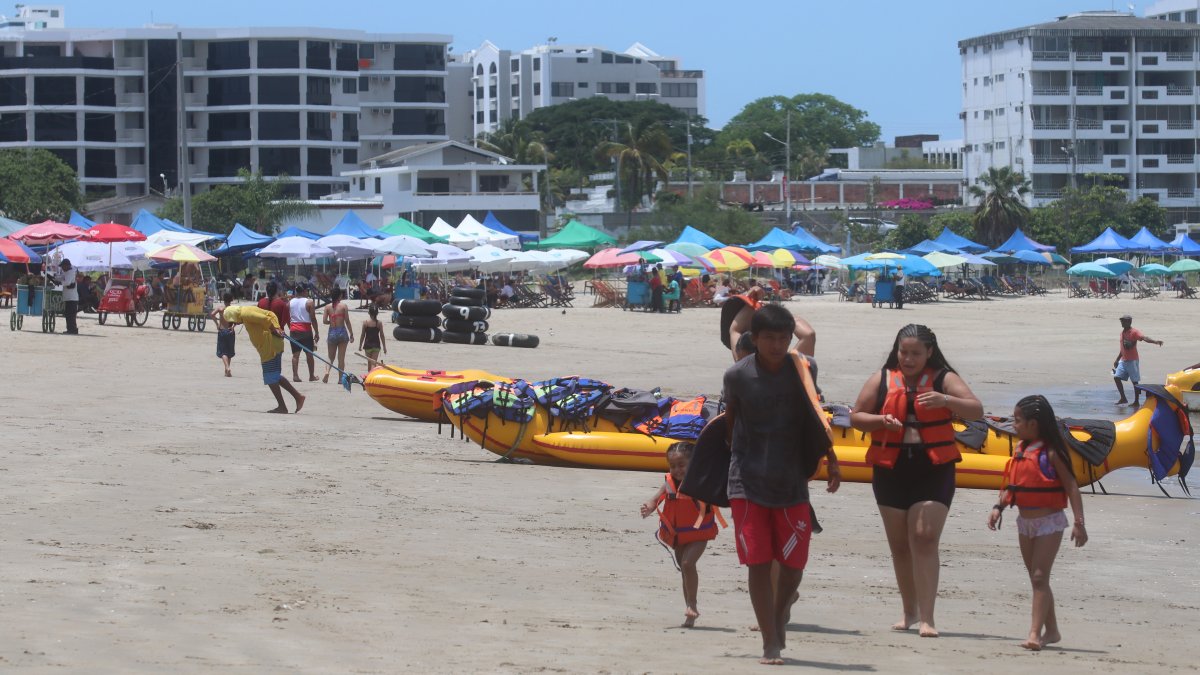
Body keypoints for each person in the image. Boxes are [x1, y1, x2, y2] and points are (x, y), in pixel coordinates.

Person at [723, 304, 841, 664]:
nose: (776, 345)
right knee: (758, 562)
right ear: (755, 338)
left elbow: (815, 415)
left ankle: (777, 616)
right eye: (769, 338)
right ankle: (769, 640)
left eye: (783, 338)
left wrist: (831, 458)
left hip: (791, 480)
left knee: (793, 565)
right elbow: (730, 424)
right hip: (747, 480)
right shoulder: (737, 375)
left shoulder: (804, 368)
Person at [849, 324, 982, 638]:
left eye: (915, 354)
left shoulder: (943, 379)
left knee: (923, 537)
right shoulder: (881, 379)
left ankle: (928, 618)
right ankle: (909, 611)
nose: (908, 359)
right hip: (891, 469)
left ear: (929, 353)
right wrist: (881, 420)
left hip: (933, 468)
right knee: (899, 545)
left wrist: (945, 400)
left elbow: (976, 410)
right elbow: (856, 417)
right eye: (903, 352)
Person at [987, 394, 1087, 651]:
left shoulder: (1051, 453)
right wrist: (998, 508)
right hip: (1025, 522)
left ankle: (1034, 634)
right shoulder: (1020, 450)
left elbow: (1072, 487)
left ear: (1034, 424)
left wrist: (1079, 522)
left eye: (1018, 420)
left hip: (1049, 523)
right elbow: (1013, 485)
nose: (1014, 425)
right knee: (1036, 578)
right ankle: (1052, 631)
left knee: (1040, 576)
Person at [640, 441, 721, 628]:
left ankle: (692, 604)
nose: (677, 470)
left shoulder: (702, 480)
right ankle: (689, 612)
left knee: (687, 563)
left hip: (699, 533)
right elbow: (656, 498)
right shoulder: (669, 483)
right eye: (673, 466)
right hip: (678, 536)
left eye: (682, 465)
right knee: (685, 572)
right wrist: (649, 507)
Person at [222, 305, 305, 414]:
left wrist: (275, 330)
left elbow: (266, 319)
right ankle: (298, 397)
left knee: (270, 377)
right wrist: (234, 325)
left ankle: (283, 406)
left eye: (232, 321)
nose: (234, 323)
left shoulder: (245, 314)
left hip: (270, 347)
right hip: (271, 346)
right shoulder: (244, 312)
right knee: (274, 376)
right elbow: (263, 317)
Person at [723, 285, 816, 358]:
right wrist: (776, 313)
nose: (776, 345)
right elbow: (808, 335)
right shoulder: (791, 367)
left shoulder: (741, 363)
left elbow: (735, 330)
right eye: (769, 337)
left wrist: (753, 303)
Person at [1113, 314, 1163, 406]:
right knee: (1116, 377)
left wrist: (1155, 341)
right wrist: (1117, 359)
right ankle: (1123, 398)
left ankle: (1136, 401)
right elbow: (1122, 348)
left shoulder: (1134, 332)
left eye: (1124, 321)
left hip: (1132, 360)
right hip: (1123, 360)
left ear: (1129, 322)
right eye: (1121, 321)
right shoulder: (1122, 333)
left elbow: (1144, 338)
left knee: (1135, 382)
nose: (1122, 322)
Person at [288, 284, 320, 382]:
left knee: (295, 355)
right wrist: (316, 332)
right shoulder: (309, 302)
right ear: (304, 291)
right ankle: (311, 376)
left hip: (294, 330)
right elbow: (313, 318)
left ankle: (295, 376)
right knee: (309, 354)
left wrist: (290, 327)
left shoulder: (290, 302)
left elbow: (288, 317)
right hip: (306, 330)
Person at [323, 287, 353, 384]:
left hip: (332, 332)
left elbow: (324, 321)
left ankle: (327, 372)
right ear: (339, 296)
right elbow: (347, 321)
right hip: (342, 332)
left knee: (330, 357)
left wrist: (331, 321)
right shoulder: (343, 306)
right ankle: (340, 379)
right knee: (341, 358)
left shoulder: (327, 307)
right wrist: (351, 333)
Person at [211, 291, 236, 377]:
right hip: (230, 331)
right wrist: (234, 326)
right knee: (229, 351)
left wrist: (217, 323)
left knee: (223, 352)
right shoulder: (233, 309)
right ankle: (227, 370)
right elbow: (238, 319)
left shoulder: (220, 308)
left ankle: (227, 368)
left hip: (222, 331)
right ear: (231, 300)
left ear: (223, 299)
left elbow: (212, 314)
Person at [359, 304, 387, 371]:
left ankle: (369, 375)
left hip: (367, 346)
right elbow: (382, 335)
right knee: (373, 363)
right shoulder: (379, 323)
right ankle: (372, 375)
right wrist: (384, 347)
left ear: (369, 313)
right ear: (377, 313)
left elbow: (362, 335)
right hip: (376, 346)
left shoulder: (365, 323)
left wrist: (360, 345)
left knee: (369, 363)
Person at [56, 258, 79, 334]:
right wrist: (56, 278)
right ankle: (71, 329)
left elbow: (67, 282)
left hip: (72, 298)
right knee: (69, 314)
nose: (62, 268)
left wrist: (60, 282)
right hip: (69, 297)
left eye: (63, 266)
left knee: (70, 315)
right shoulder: (67, 272)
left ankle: (72, 329)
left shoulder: (70, 272)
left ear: (67, 266)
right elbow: (62, 277)